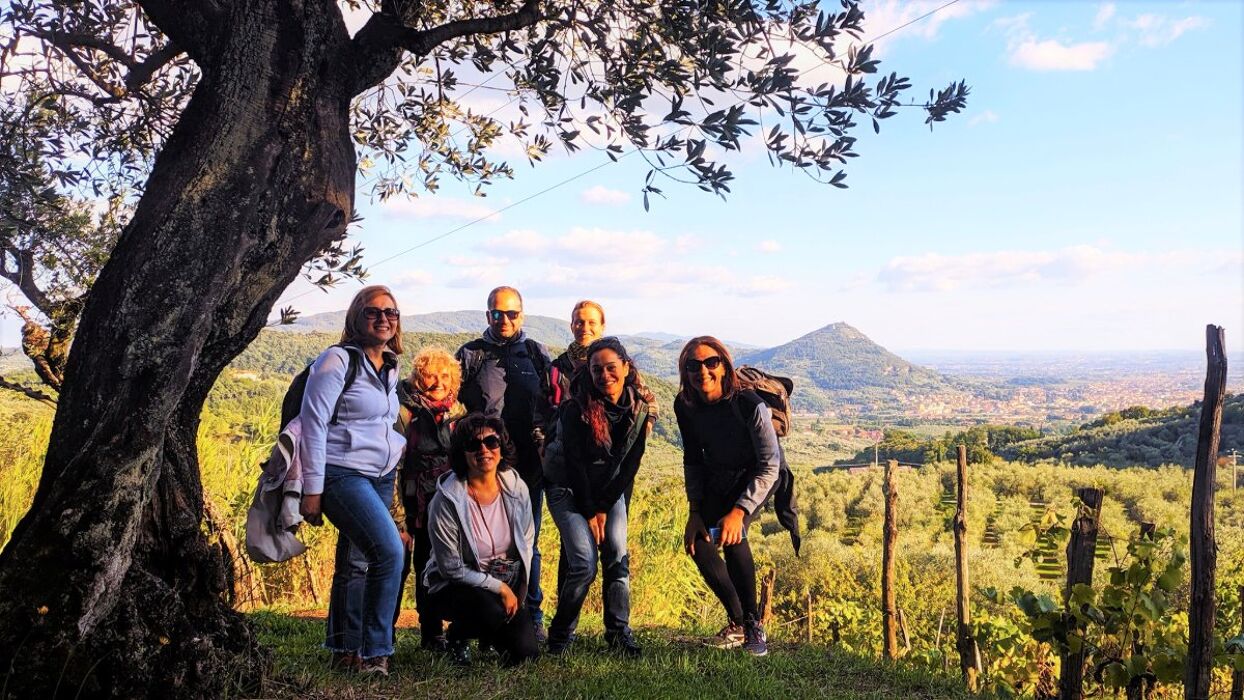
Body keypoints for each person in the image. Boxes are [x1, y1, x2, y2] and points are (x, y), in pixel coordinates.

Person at [299, 285, 407, 676]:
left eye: (390, 313)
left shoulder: (390, 366)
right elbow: (313, 424)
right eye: (372, 312)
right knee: (390, 552)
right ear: (355, 318)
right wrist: (312, 490)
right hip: (341, 473)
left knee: (356, 560)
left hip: (379, 475)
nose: (383, 319)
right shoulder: (336, 360)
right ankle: (376, 651)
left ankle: (345, 648)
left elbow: (382, 423)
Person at [455, 286, 554, 640]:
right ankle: (482, 617)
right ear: (487, 316)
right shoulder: (471, 354)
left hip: (529, 467)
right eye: (497, 313)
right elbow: (448, 400)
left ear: (522, 315)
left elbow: (554, 401)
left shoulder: (536, 354)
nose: (505, 320)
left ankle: (532, 615)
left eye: (511, 314)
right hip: (483, 467)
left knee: (528, 544)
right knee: (481, 545)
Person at [674, 336, 779, 657]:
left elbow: (770, 464)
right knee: (699, 543)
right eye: (693, 365)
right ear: (685, 370)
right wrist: (695, 511)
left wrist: (739, 511)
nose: (702, 371)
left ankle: (753, 625)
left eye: (711, 362)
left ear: (724, 366)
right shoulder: (685, 405)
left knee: (733, 536)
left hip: (757, 475)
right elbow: (692, 458)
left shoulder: (748, 405)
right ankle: (737, 621)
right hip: (718, 476)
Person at [545, 337, 650, 656]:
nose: (605, 375)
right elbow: (574, 464)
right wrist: (591, 512)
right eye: (596, 369)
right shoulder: (575, 408)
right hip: (567, 487)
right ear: (588, 373)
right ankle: (560, 635)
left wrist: (605, 506)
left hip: (608, 490)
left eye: (611, 367)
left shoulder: (639, 407)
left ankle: (618, 633)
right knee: (583, 564)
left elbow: (631, 462)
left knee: (617, 554)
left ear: (626, 367)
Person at [424, 413, 540, 666]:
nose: (484, 449)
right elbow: (451, 568)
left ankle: (490, 631)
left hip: (504, 583)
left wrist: (517, 588)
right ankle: (458, 634)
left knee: (526, 654)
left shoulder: (516, 488)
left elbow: (527, 542)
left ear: (501, 446)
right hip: (455, 586)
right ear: (461, 453)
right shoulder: (447, 499)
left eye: (491, 442)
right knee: (490, 611)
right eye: (473, 445)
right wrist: (499, 588)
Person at [389, 347, 465, 651]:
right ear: (418, 377)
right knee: (396, 565)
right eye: (430, 375)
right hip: (407, 502)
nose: (437, 382)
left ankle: (432, 633)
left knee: (431, 567)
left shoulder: (459, 413)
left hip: (443, 505)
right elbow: (393, 466)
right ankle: (384, 632)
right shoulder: (403, 412)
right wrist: (397, 517)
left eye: (444, 375)